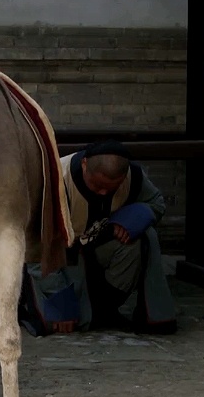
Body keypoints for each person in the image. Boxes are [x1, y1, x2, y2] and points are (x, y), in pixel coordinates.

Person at [19, 140, 177, 335]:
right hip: (57, 255)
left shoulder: (133, 177)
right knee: (58, 322)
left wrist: (131, 218)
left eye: (111, 188)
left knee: (144, 235)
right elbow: (35, 250)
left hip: (97, 248)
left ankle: (104, 308)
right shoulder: (54, 181)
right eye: (97, 185)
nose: (103, 193)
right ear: (84, 164)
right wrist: (61, 302)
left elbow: (156, 202)